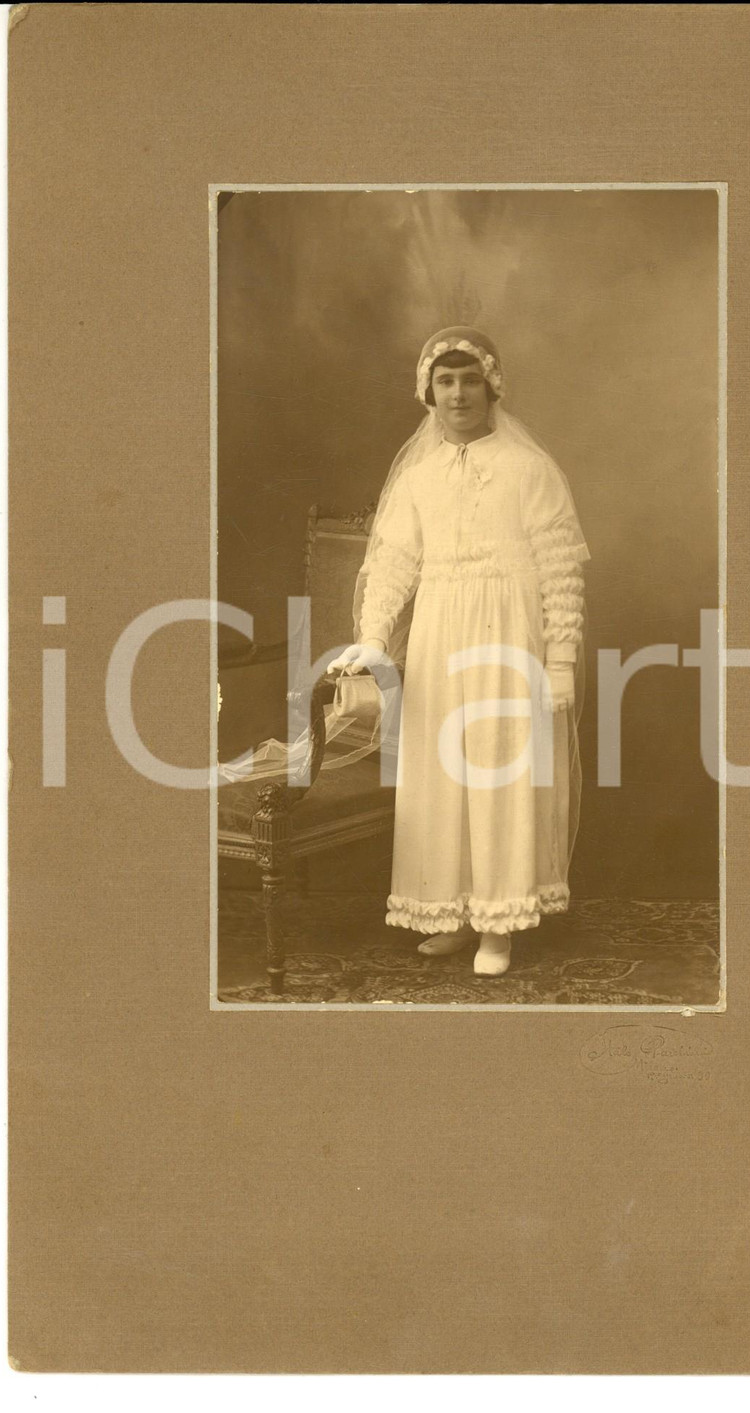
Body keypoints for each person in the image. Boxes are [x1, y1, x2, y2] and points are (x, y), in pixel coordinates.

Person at [328, 327, 590, 977]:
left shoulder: (529, 470)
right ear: (427, 392)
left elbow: (561, 570)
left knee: (500, 770)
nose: (458, 393)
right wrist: (373, 633)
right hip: (442, 633)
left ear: (492, 385)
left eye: (469, 379)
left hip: (508, 634)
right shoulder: (418, 477)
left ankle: (498, 923)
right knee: (443, 776)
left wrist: (559, 659)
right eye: (444, 381)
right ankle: (453, 910)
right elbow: (392, 564)